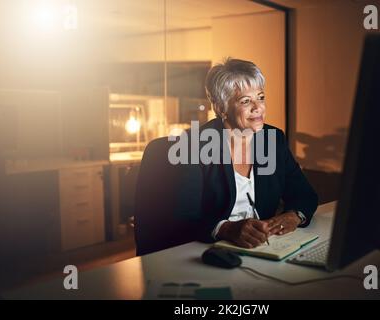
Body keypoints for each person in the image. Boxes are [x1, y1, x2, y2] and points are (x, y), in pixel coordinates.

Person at [135, 58, 318, 254]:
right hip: (202, 253)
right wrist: (225, 228)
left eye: (261, 97)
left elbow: (304, 194)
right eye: (246, 101)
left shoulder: (272, 140)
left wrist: (294, 215)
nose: (258, 108)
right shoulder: (191, 148)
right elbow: (181, 218)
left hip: (261, 251)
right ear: (220, 107)